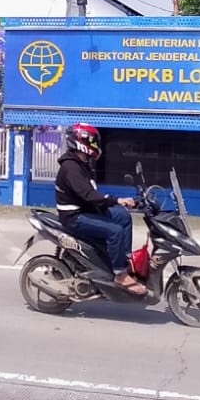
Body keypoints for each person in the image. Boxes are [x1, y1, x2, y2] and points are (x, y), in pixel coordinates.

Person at [52, 123, 145, 295]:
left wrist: (123, 202)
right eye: (92, 141)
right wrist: (116, 199)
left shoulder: (83, 164)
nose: (95, 145)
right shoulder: (70, 167)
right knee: (114, 231)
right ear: (81, 141)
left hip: (86, 210)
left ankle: (122, 262)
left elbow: (92, 195)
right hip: (74, 217)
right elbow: (88, 195)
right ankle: (120, 274)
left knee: (123, 217)